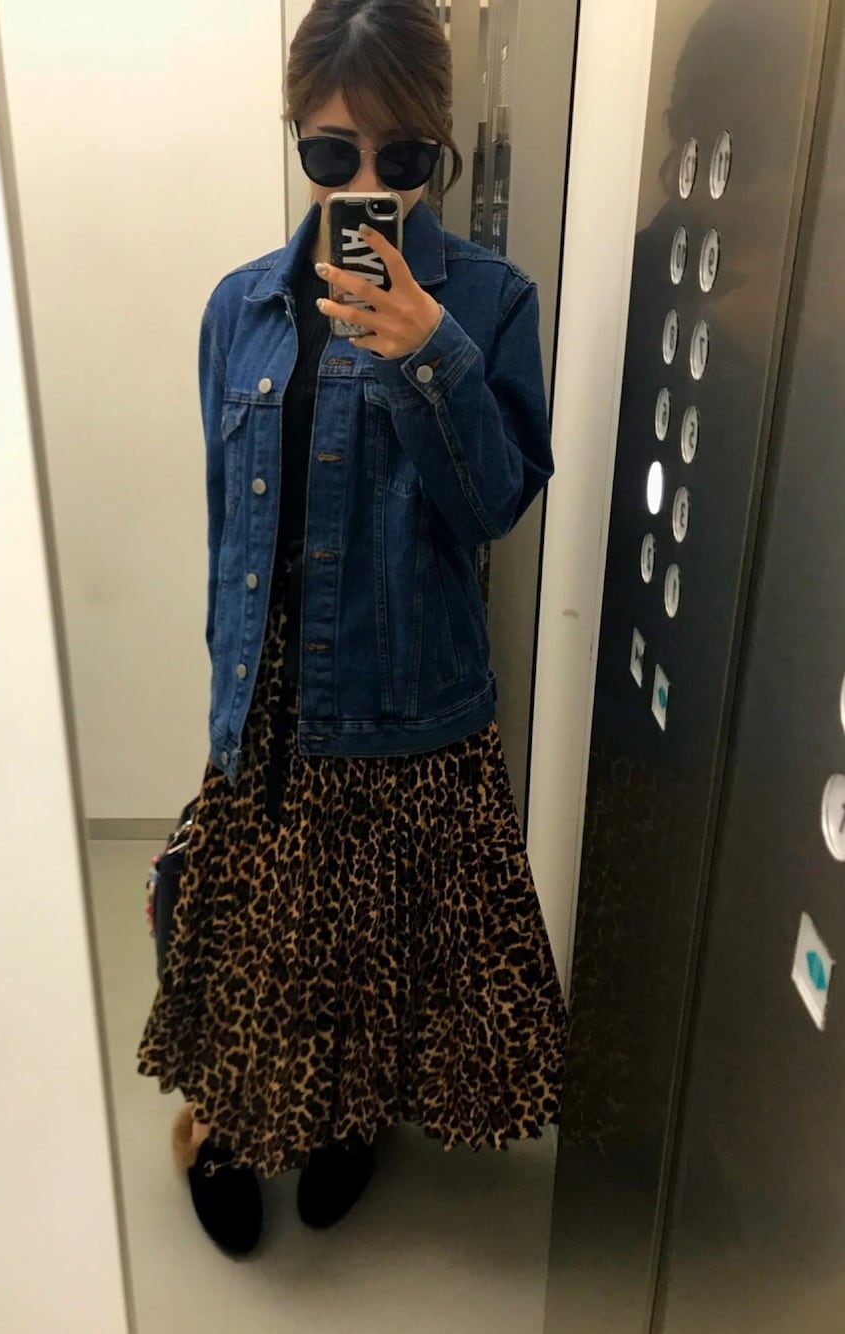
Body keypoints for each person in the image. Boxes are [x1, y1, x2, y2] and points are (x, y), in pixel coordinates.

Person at [137, 0, 566, 1258]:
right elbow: (227, 519)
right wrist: (224, 696)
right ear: (296, 140)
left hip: (410, 698)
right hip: (270, 696)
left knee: (377, 951)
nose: (365, 183)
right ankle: (222, 1132)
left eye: (403, 156)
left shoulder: (489, 302)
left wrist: (431, 352)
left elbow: (494, 506)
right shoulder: (239, 307)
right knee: (255, 947)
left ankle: (347, 1122)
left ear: (439, 148)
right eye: (331, 152)